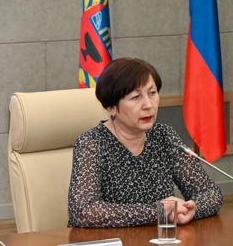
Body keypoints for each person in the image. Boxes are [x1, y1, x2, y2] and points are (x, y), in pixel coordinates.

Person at [68, 57, 223, 228]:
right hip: (111, 243)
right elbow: (83, 212)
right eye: (136, 97)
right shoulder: (92, 143)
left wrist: (194, 208)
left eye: (152, 93)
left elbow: (211, 193)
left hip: (160, 240)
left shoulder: (164, 136)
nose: (148, 105)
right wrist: (158, 212)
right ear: (111, 107)